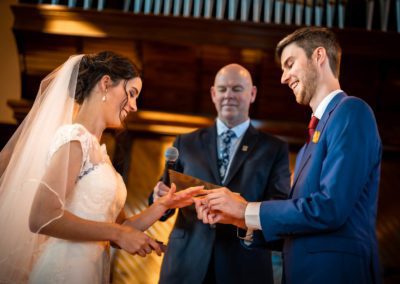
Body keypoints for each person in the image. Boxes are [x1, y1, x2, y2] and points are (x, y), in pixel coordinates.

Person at [197, 27, 382, 284]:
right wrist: (240, 219)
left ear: (319, 56)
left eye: (290, 64)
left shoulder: (351, 111)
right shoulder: (310, 143)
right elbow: (301, 225)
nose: (283, 78)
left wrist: (247, 209)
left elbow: (330, 208)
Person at [0, 51, 203, 284]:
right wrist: (117, 233)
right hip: (63, 272)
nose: (135, 106)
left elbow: (121, 226)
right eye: (132, 93)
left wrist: (162, 206)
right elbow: (42, 217)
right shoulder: (75, 139)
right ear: (106, 84)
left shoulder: (101, 154)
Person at [150, 63, 291, 284]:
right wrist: (158, 197)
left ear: (252, 93)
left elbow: (278, 205)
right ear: (213, 94)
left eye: (237, 89)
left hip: (244, 265)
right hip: (185, 262)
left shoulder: (274, 149)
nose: (228, 95)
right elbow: (164, 195)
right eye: (223, 89)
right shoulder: (185, 142)